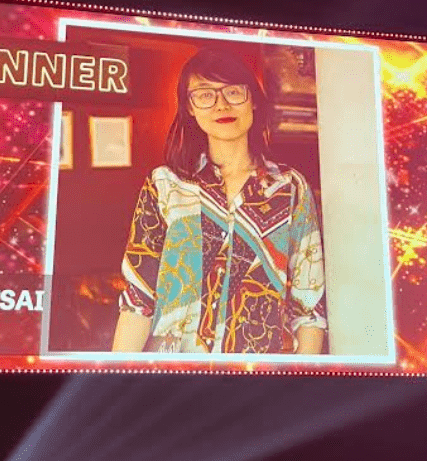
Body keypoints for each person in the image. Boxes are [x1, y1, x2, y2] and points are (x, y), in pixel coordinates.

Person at [111, 46, 327, 355]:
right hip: (172, 377)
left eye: (234, 92)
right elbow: (138, 300)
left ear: (253, 100)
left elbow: (309, 308)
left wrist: (299, 388)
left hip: (258, 380)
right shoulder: (165, 185)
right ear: (189, 107)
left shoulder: (290, 188)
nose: (221, 104)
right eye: (205, 94)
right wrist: (116, 379)